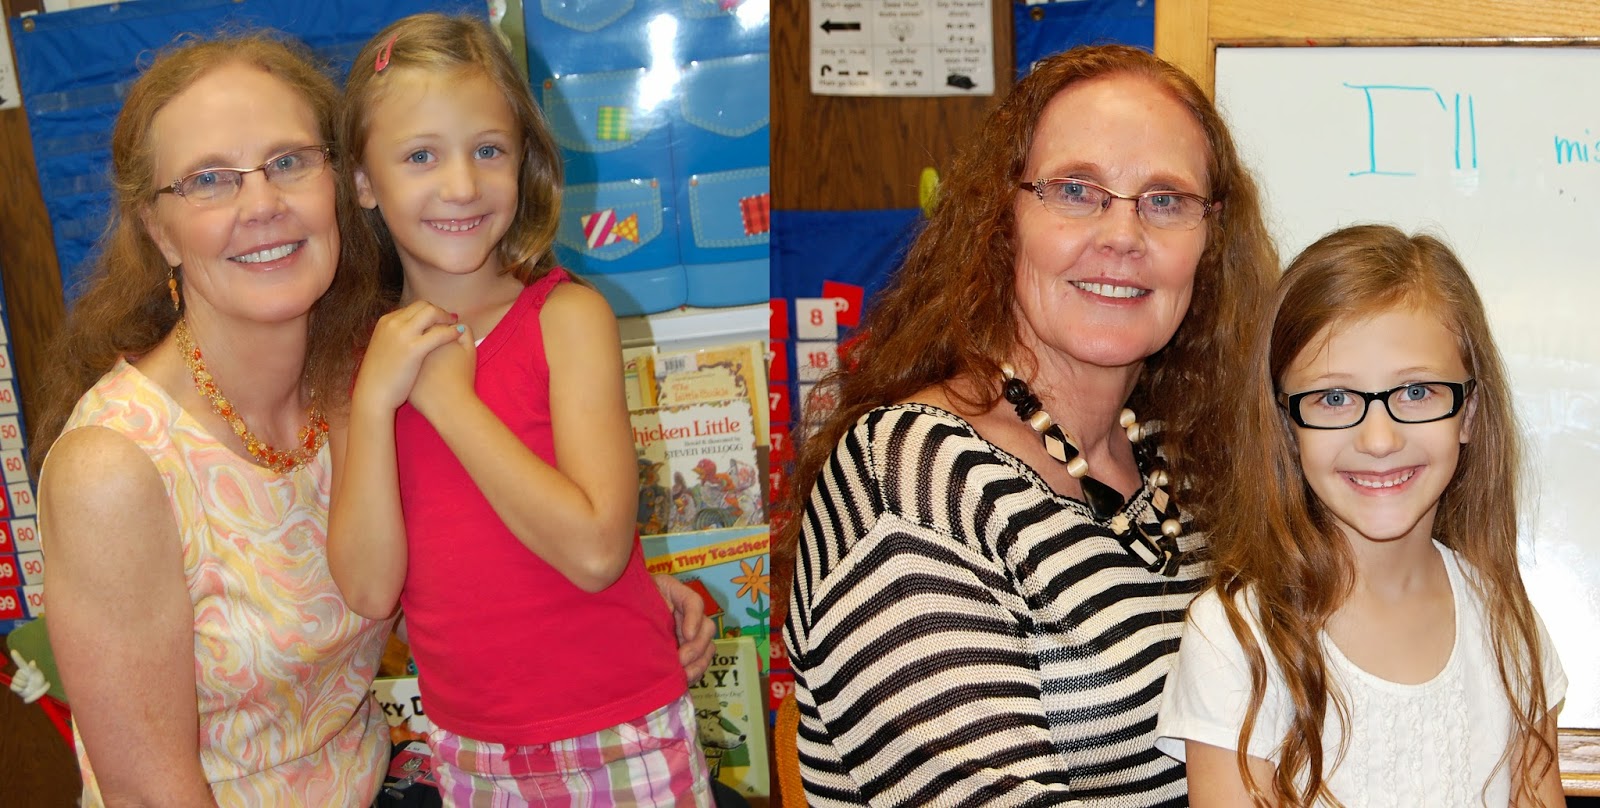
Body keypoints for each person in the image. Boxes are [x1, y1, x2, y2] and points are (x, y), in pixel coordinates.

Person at [33, 31, 713, 806]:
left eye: (288, 162)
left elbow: (464, 566)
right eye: (209, 179)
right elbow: (149, 787)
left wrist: (621, 600)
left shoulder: (341, 371)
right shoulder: (115, 468)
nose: (262, 204)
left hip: (468, 761)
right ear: (158, 229)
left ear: (333, 183)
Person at [776, 45, 1278, 806]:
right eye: (1076, 190)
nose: (1123, 234)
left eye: (1166, 199)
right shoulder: (908, 482)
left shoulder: (1187, 463)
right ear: (1001, 222)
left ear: (1210, 244)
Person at [325, 15, 710, 806]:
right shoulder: (356, 365)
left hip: (621, 730)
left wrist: (447, 401)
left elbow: (596, 552)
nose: (462, 185)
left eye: (488, 150)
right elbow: (367, 590)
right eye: (420, 155)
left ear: (525, 160)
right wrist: (373, 401)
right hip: (469, 749)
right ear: (362, 180)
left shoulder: (567, 319)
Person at [1154, 225, 1566, 806]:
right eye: (1334, 398)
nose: (1378, 439)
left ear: (1468, 414)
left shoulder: (1506, 627)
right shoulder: (1236, 642)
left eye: (1417, 392)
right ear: (1287, 426)